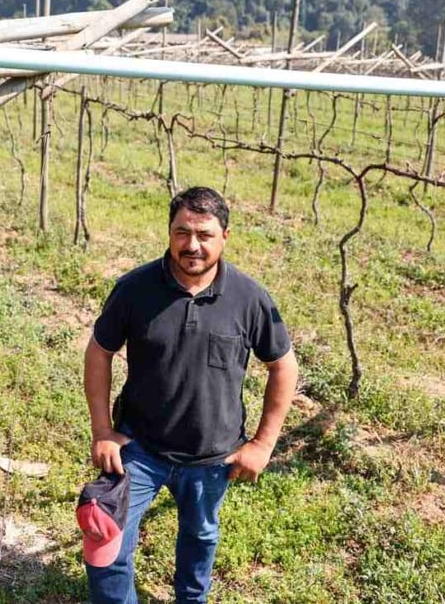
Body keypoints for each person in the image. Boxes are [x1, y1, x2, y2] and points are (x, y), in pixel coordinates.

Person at [83, 186, 299, 604]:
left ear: (225, 237)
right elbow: (99, 352)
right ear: (168, 232)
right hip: (140, 448)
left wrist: (263, 445)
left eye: (204, 234)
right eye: (182, 233)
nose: (192, 246)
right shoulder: (135, 288)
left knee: (200, 536)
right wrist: (102, 430)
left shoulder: (249, 298)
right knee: (105, 538)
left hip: (212, 455)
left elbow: (283, 366)